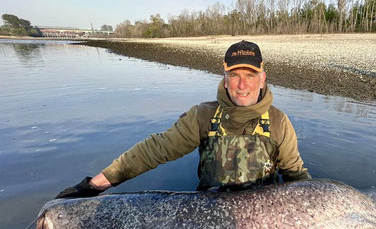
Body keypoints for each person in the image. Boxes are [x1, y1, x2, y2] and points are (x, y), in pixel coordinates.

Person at [57, 40, 310, 198]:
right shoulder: (203, 115)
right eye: (234, 75)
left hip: (266, 218)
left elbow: (296, 178)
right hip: (208, 214)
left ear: (262, 78)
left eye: (250, 75)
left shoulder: (279, 122)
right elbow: (155, 150)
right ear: (225, 78)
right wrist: (95, 185)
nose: (242, 84)